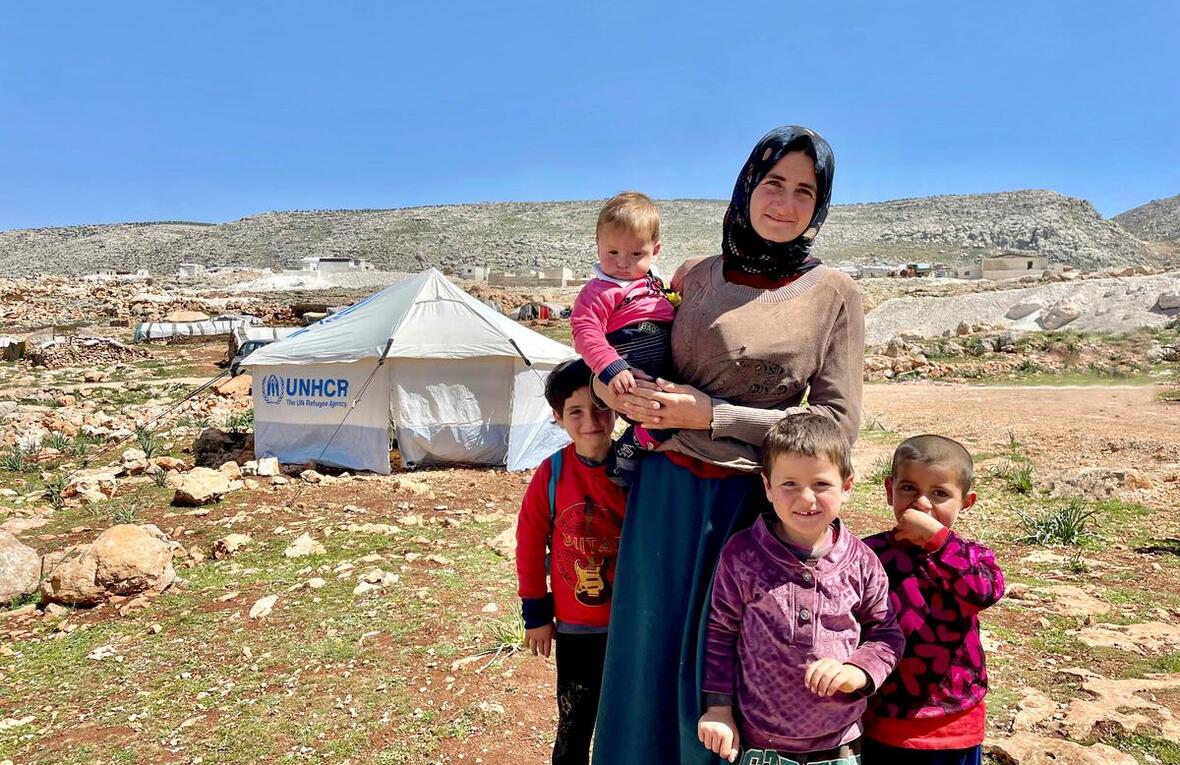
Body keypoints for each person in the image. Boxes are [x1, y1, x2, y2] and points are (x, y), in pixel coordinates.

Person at [590, 126, 865, 765]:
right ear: (746, 188)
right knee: (649, 653)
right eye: (773, 183)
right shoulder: (693, 276)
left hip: (753, 507)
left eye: (805, 190)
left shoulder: (836, 294)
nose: (785, 203)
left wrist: (715, 414)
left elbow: (836, 428)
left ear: (820, 205)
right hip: (666, 495)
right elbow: (629, 349)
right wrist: (616, 395)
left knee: (732, 666)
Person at [698, 414, 903, 764]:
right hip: (761, 746)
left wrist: (858, 672)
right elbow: (720, 635)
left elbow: (885, 633)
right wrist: (718, 709)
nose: (806, 498)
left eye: (821, 484)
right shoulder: (742, 554)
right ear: (767, 487)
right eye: (789, 484)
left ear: (847, 486)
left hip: (840, 745)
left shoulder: (862, 561)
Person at [861, 436, 1006, 765]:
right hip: (882, 722)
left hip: (953, 725)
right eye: (909, 488)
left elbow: (984, 591)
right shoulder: (869, 554)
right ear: (889, 490)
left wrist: (938, 541)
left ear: (966, 502)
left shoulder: (971, 556)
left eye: (939, 494)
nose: (922, 504)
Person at [515, 357, 629, 765]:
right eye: (575, 411)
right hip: (578, 627)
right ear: (558, 418)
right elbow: (529, 542)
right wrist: (536, 614)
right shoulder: (552, 474)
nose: (591, 420)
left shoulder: (634, 468)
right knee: (575, 721)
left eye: (600, 407)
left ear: (616, 407)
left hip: (631, 625)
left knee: (628, 719)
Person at [570, 191, 677, 484]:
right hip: (630, 371)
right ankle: (631, 446)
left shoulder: (657, 285)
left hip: (666, 369)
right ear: (598, 246)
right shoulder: (598, 291)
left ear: (655, 251)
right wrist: (612, 367)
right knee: (658, 414)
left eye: (635, 254)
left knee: (682, 413)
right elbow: (584, 331)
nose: (623, 263)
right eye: (612, 252)